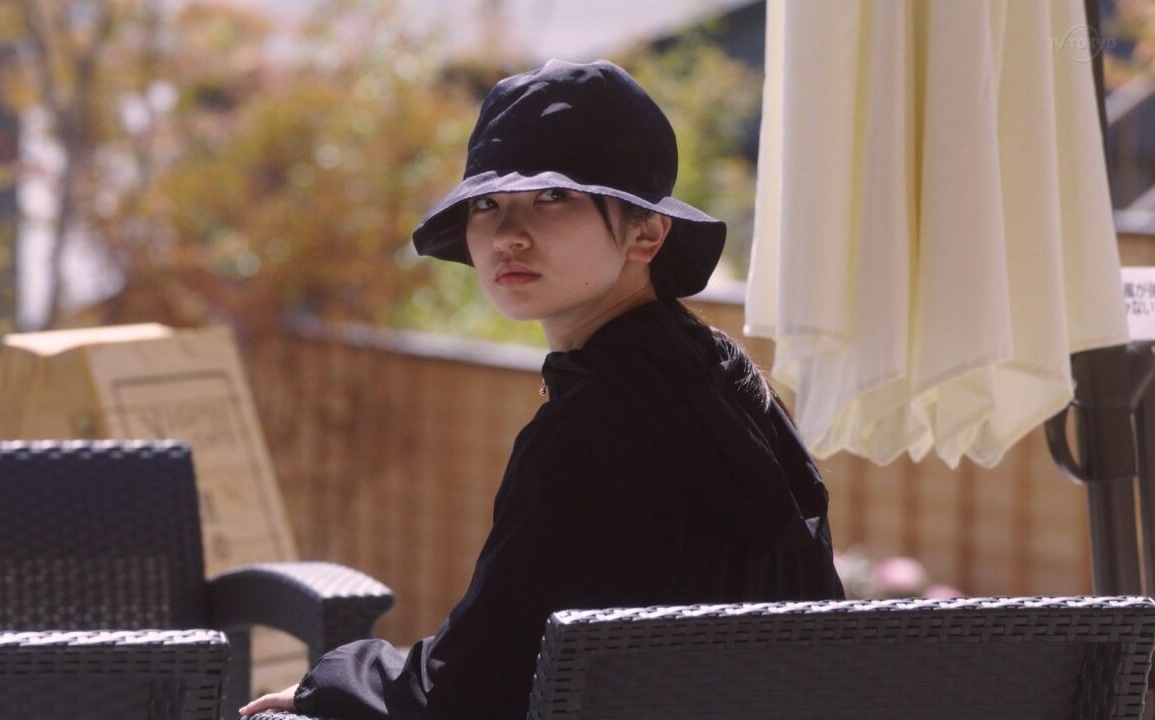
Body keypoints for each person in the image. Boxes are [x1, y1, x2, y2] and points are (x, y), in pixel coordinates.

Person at [240, 58, 844, 720]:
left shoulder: (589, 428)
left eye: (553, 197)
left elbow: (469, 691)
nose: (507, 236)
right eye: (486, 205)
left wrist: (329, 683)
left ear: (647, 232)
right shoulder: (729, 384)